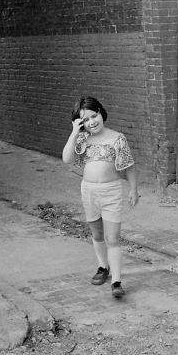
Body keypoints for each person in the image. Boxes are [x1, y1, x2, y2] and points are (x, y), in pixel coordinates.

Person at [62, 96, 138, 298]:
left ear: (101, 113)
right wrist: (74, 132)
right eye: (85, 120)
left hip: (111, 192)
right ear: (80, 123)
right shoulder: (81, 139)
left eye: (94, 116)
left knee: (112, 238)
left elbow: (129, 165)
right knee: (96, 234)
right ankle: (103, 267)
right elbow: (66, 159)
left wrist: (133, 189)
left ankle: (116, 281)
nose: (92, 122)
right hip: (89, 192)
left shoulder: (117, 138)